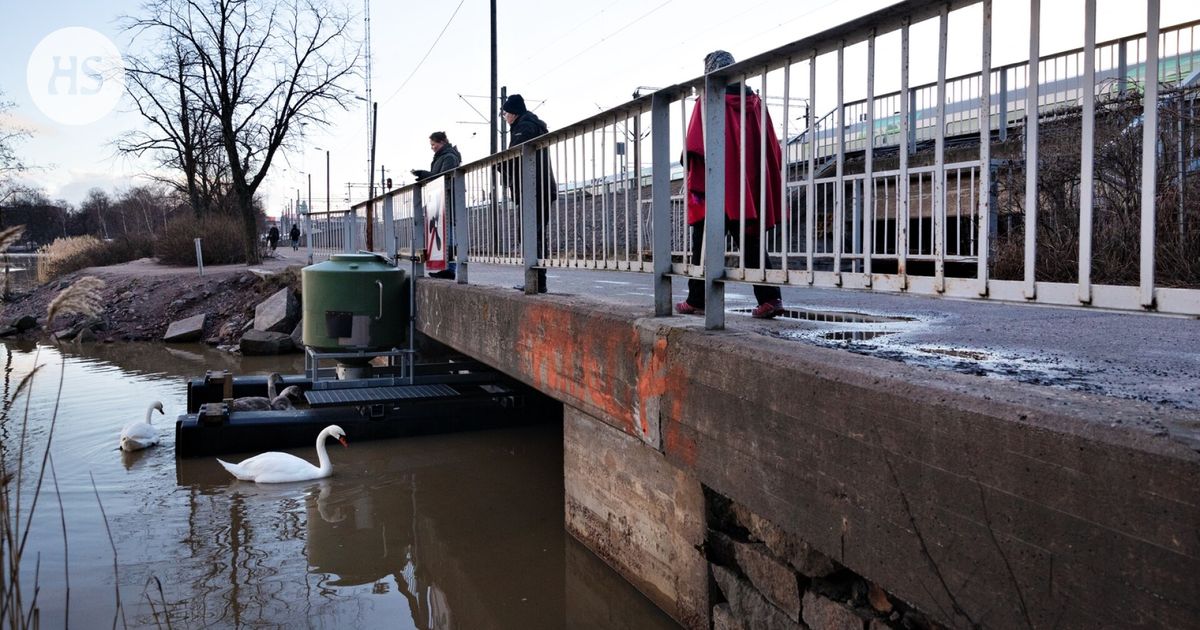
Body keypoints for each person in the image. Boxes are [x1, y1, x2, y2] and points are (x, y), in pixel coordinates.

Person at [676, 50, 785, 319]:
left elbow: (694, 146)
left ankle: (697, 300)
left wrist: (688, 166)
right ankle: (771, 298)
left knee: (703, 242)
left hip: (716, 186)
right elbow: (770, 147)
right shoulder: (756, 103)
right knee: (751, 241)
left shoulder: (709, 98)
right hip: (747, 186)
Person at [500, 94, 557, 293]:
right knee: (534, 234)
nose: (505, 117)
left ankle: (537, 282)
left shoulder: (524, 128)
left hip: (533, 189)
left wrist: (500, 165)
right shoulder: (530, 125)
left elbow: (513, 157)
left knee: (532, 235)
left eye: (505, 113)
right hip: (536, 188)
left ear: (513, 113)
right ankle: (537, 280)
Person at [412, 131, 462, 279]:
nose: (432, 147)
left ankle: (451, 269)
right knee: (444, 234)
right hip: (441, 199)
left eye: (434, 144)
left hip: (449, 199)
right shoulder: (442, 156)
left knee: (450, 234)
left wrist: (424, 175)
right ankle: (446, 268)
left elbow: (443, 176)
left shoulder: (449, 157)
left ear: (443, 142)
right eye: (431, 145)